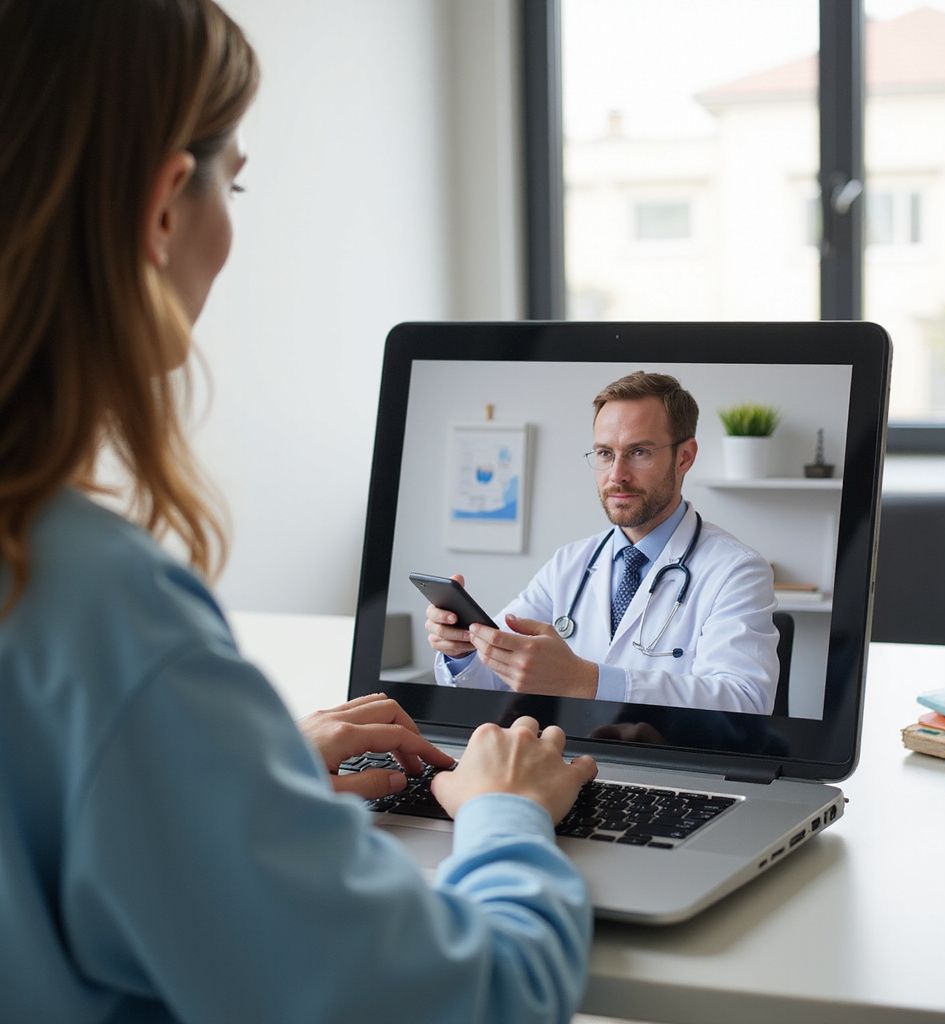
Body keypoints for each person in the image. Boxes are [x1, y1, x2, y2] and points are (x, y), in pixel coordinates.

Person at [0, 2, 598, 1022]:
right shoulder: (103, 611)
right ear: (161, 207)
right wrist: (503, 813)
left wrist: (221, 779)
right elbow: (477, 1001)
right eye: (232, 185)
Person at [425, 372, 779, 713]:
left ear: (684, 456)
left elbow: (743, 702)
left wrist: (587, 681)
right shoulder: (570, 563)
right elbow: (496, 675)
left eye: (639, 452)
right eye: (606, 454)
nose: (617, 475)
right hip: (564, 759)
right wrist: (464, 650)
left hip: (669, 768)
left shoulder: (737, 570)